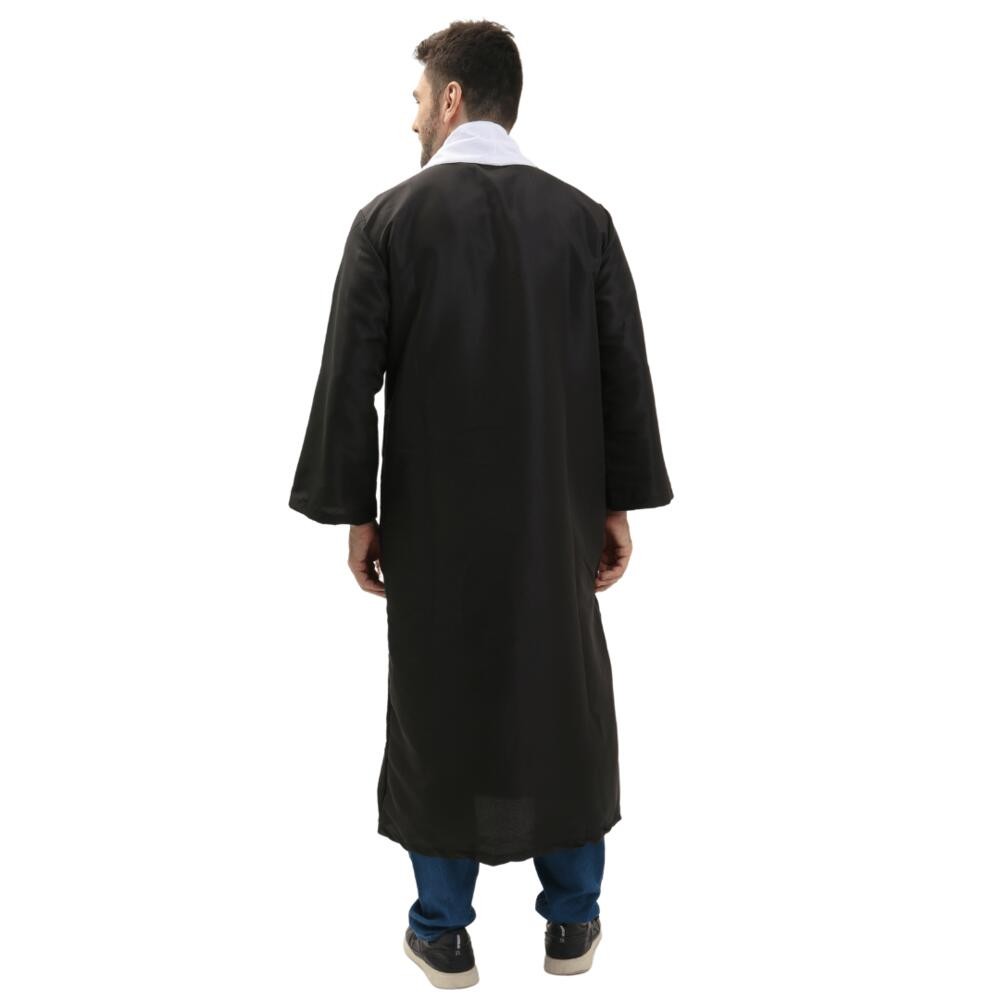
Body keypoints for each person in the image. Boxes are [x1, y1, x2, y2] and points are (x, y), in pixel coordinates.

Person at [288, 19, 673, 988]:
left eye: (419, 97)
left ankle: (442, 926)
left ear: (453, 98)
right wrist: (616, 504)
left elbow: (349, 380)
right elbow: (621, 375)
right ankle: (573, 920)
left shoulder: (388, 220)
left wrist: (357, 511)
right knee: (560, 695)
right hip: (555, 515)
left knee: (440, 699)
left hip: (433, 521)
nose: (413, 116)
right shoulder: (583, 221)